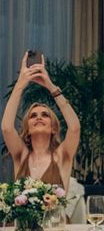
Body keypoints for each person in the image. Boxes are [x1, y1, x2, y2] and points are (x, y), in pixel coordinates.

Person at [1, 51, 80, 192]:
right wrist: (20, 84)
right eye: (33, 116)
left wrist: (50, 86)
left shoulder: (63, 155)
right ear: (27, 129)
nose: (39, 117)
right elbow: (7, 128)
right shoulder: (21, 155)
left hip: (58, 215)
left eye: (45, 115)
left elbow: (74, 128)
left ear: (53, 128)